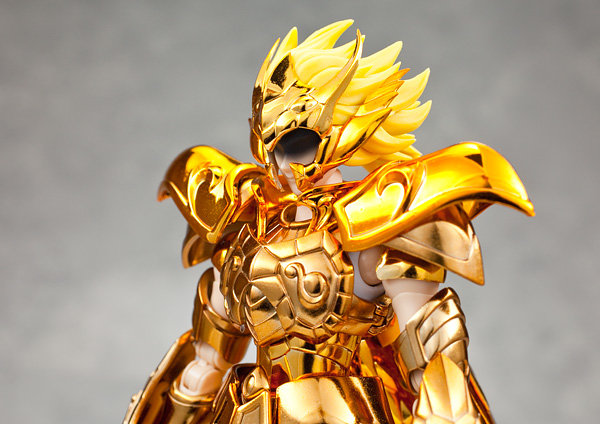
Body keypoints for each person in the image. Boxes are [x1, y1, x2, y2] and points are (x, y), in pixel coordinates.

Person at [124, 20, 534, 424]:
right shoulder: (244, 232)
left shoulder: (373, 229)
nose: (280, 166)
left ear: (339, 132)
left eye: (296, 144)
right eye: (267, 145)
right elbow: (205, 363)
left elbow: (431, 356)